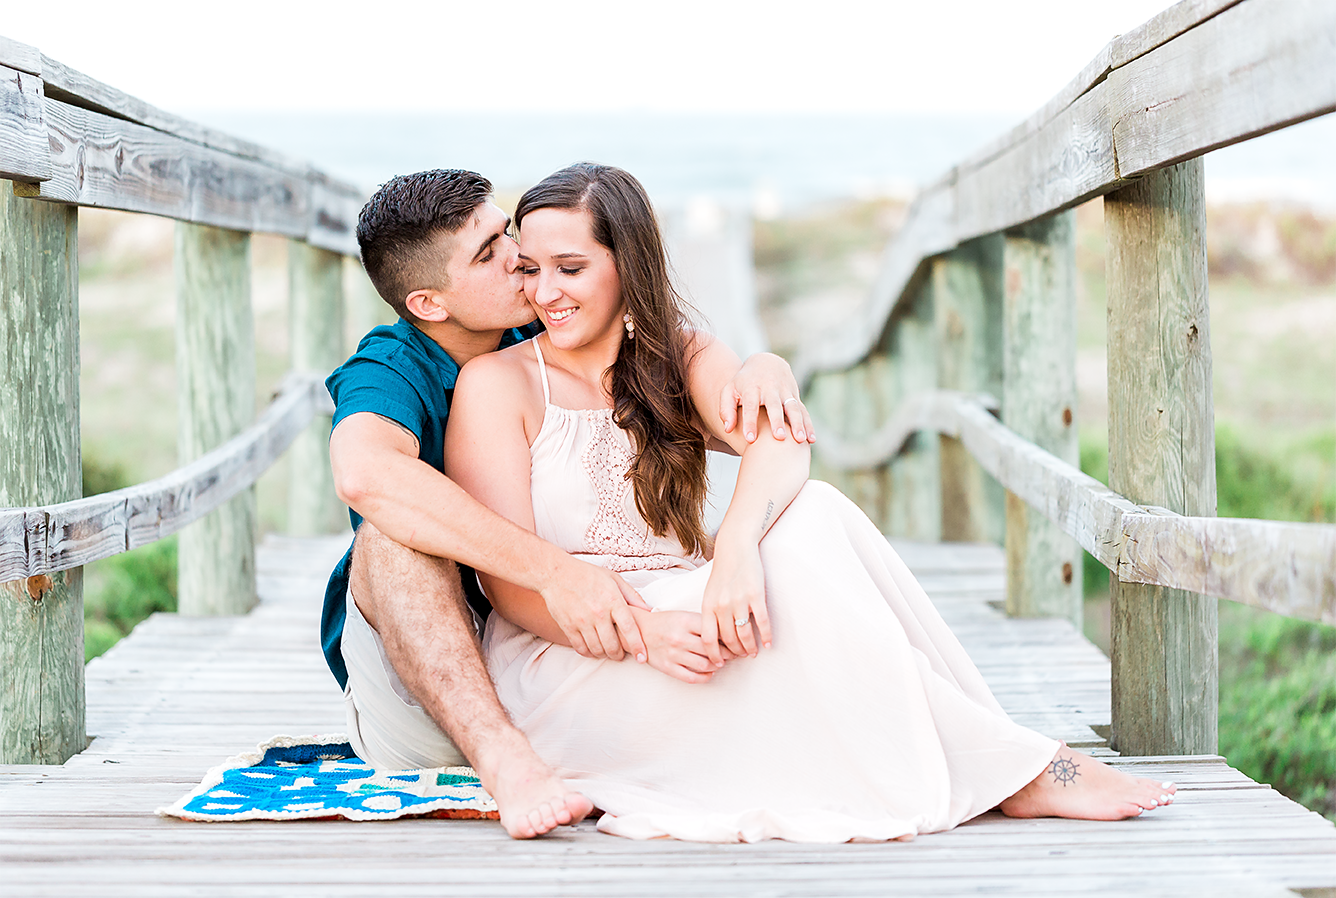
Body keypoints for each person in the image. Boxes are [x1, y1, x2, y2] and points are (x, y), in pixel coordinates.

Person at [444, 162, 1179, 843]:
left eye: (571, 268)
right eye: (531, 269)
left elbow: (783, 444)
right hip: (570, 659)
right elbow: (505, 586)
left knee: (819, 516)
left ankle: (1006, 766)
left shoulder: (682, 359)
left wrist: (735, 542)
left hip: (691, 618)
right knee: (807, 622)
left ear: (627, 266)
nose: (545, 293)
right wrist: (642, 633)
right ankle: (1021, 768)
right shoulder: (499, 384)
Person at [323, 169, 815, 839]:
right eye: (490, 252)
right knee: (389, 532)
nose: (519, 259)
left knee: (801, 546)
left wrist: (765, 366)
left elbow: (738, 411)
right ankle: (506, 763)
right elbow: (363, 474)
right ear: (432, 302)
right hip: (425, 685)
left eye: (506, 232)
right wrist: (556, 572)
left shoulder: (549, 333)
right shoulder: (394, 366)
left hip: (575, 643)